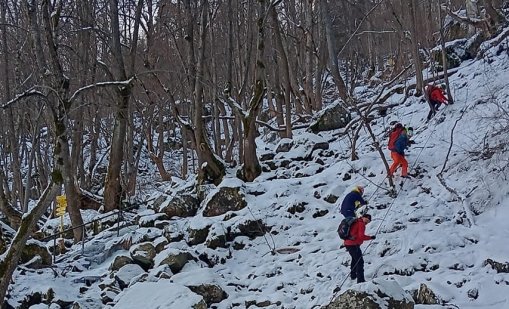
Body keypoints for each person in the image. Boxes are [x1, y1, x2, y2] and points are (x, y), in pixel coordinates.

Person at [344, 213, 375, 283]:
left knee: (355, 260)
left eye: (368, 221)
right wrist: (370, 237)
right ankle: (360, 280)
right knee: (360, 262)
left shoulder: (357, 221)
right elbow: (361, 236)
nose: (367, 222)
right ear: (363, 217)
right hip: (353, 244)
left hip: (348, 243)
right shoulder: (361, 224)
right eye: (367, 220)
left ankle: (353, 276)